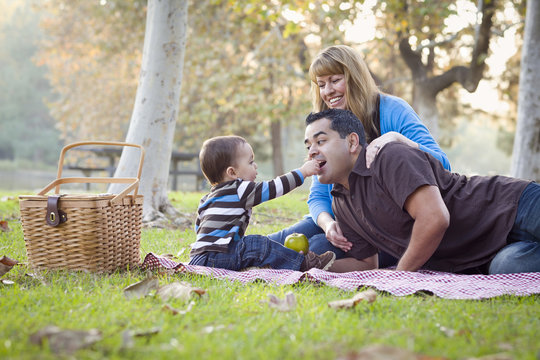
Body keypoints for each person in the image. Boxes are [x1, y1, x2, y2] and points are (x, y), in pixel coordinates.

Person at [268, 45, 450, 270]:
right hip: (343, 221)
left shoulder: (391, 110)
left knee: (315, 248)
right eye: (321, 84)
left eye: (335, 80)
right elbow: (318, 196)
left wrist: (396, 139)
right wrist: (328, 224)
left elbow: (442, 164)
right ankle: (223, 252)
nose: (328, 91)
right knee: (273, 244)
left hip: (385, 227)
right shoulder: (328, 126)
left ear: (354, 77)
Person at [303, 108, 540, 274]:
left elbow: (434, 218)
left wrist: (400, 275)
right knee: (509, 268)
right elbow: (366, 264)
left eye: (320, 141)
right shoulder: (341, 202)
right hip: (490, 255)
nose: (312, 151)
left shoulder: (389, 156)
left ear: (352, 142)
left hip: (513, 206)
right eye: (308, 146)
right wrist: (310, 265)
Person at [188, 135, 336, 272]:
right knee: (257, 243)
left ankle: (263, 264)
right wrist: (303, 172)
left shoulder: (207, 199)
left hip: (198, 258)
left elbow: (199, 228)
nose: (256, 166)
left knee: (248, 246)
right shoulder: (239, 189)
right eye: (250, 162)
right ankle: (302, 263)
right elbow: (274, 187)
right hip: (217, 257)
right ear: (232, 173)